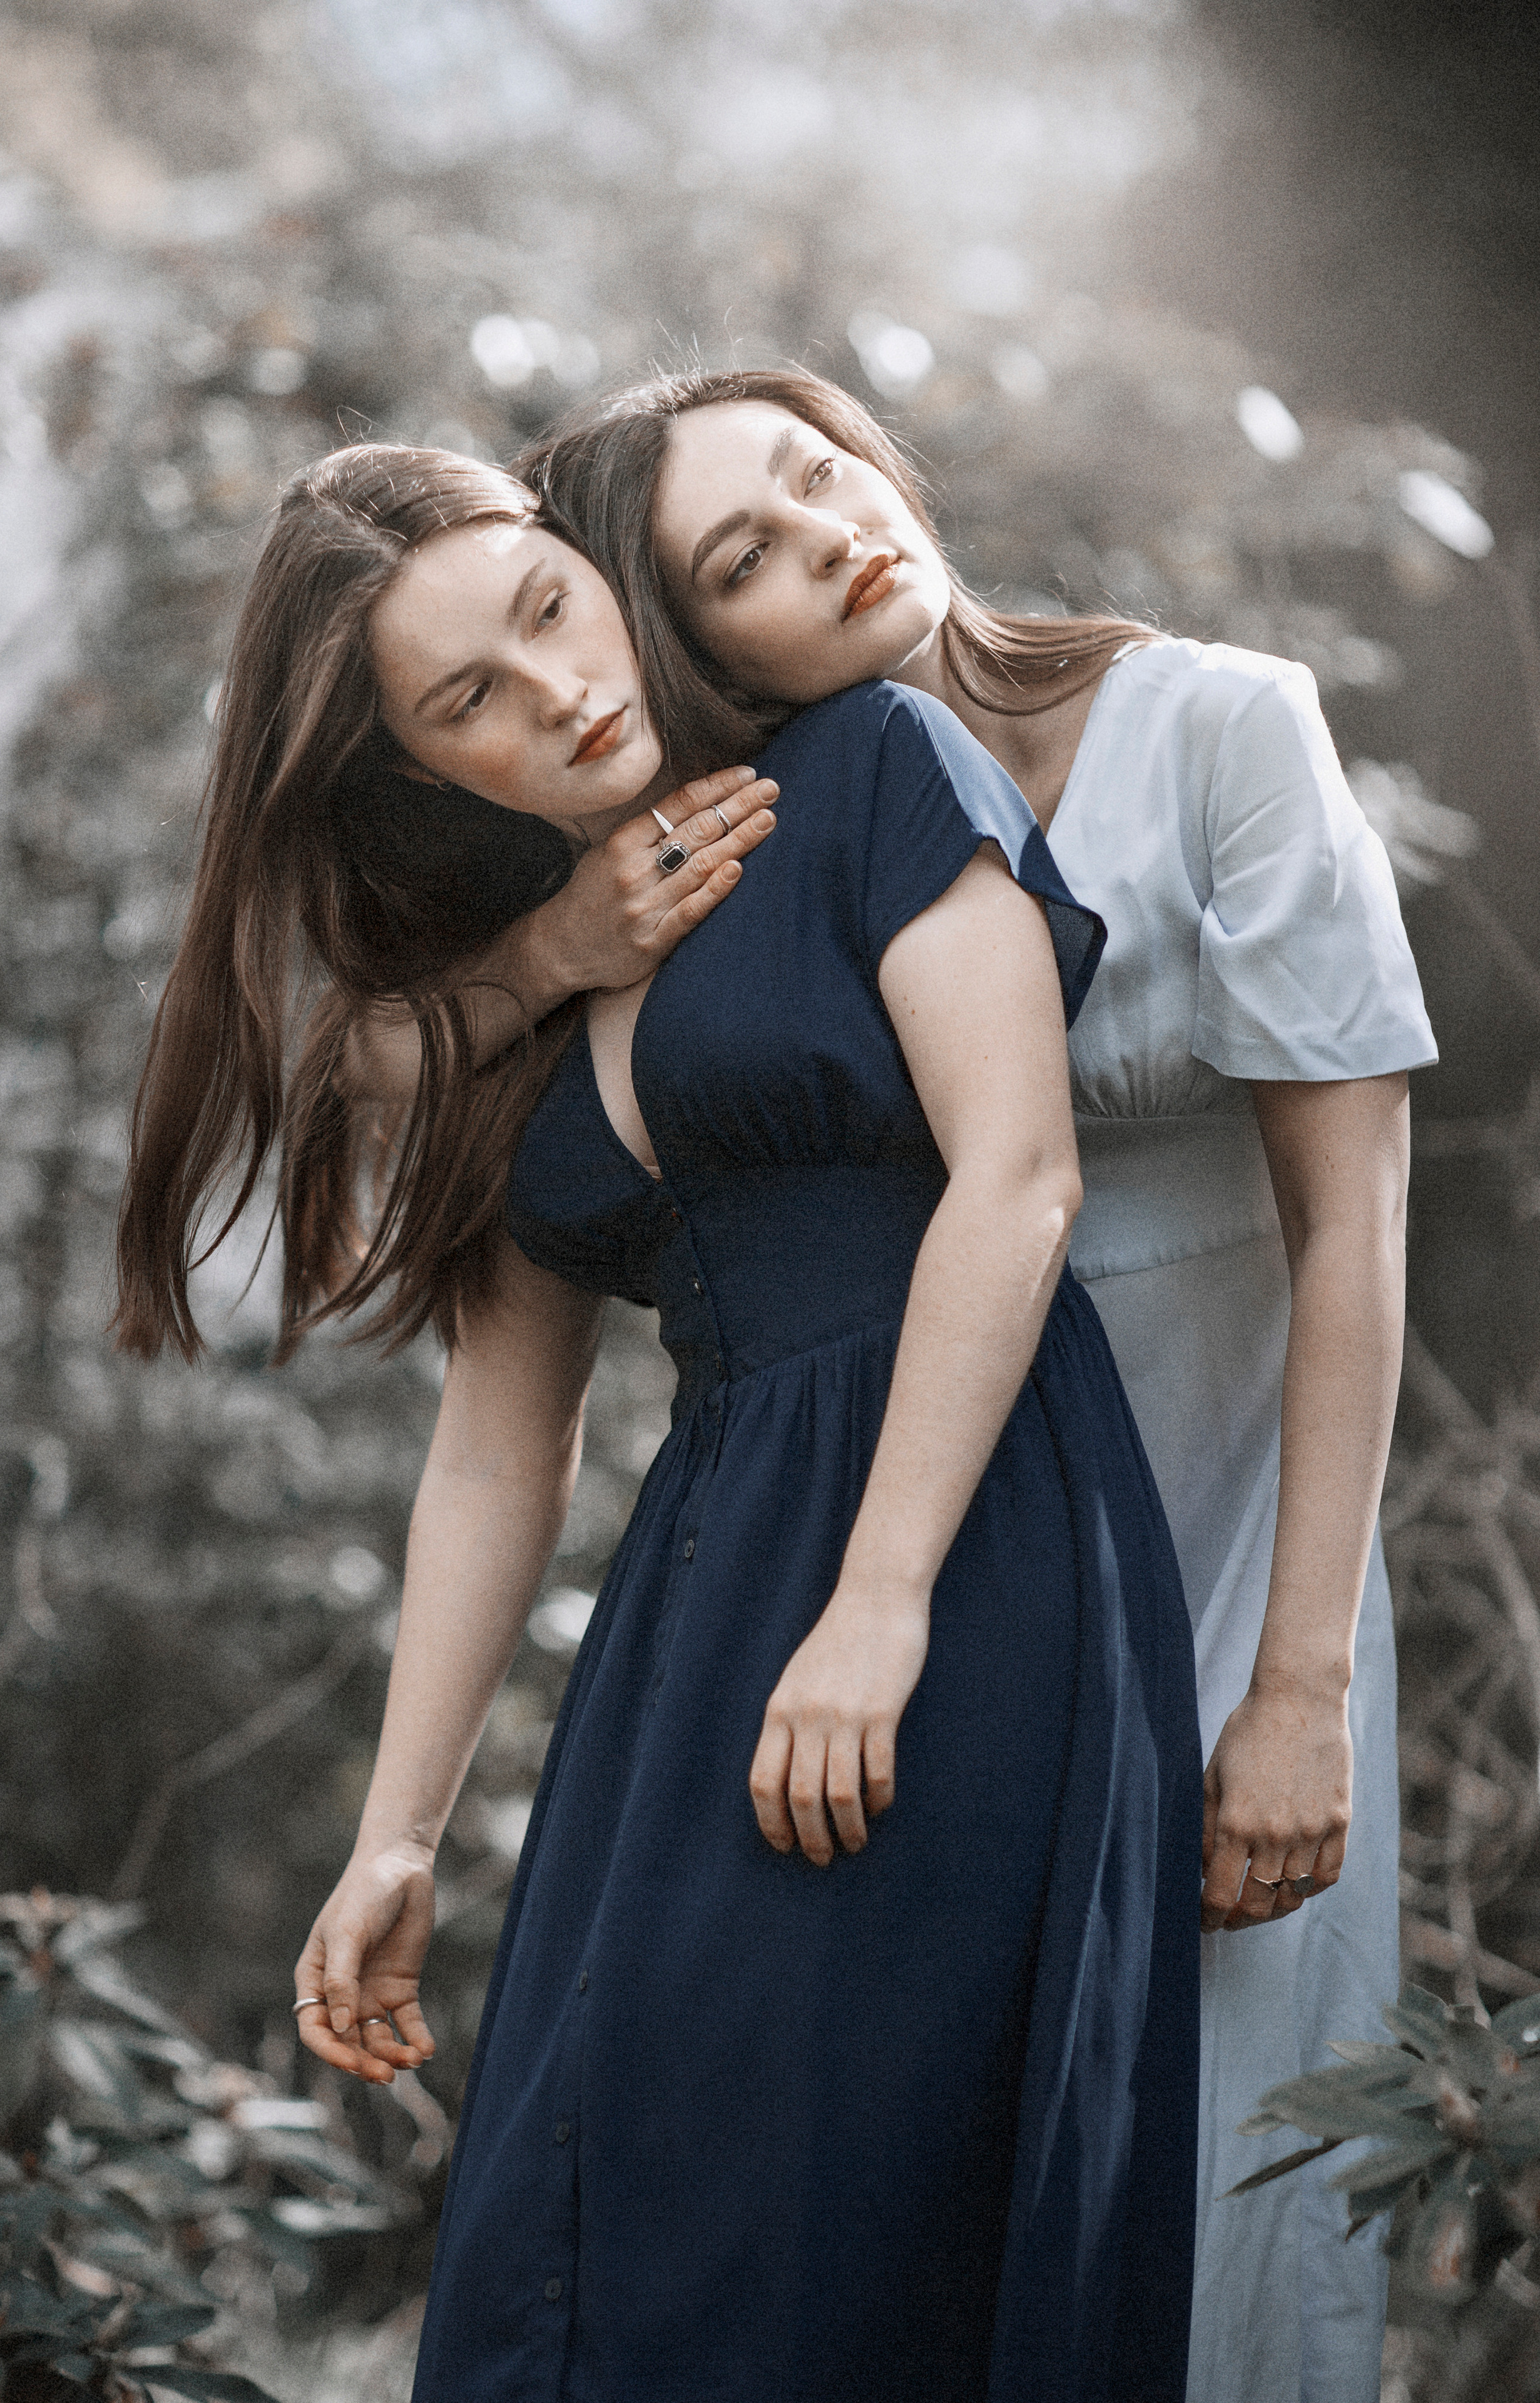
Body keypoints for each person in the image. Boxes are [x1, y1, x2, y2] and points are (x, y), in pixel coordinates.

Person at [115, 444, 1202, 2400]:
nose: (558, 695)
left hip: (953, 1550)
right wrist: (396, 1834)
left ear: (590, 564)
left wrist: (881, 1599)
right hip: (696, 1621)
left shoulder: (864, 768)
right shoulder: (505, 987)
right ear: (413, 769)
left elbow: (1020, 1174)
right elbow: (495, 1441)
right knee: (592, 2187)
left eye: (551, 612)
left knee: (838, 2224)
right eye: (472, 700)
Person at [499, 365, 1432, 2403]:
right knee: (943, 2173)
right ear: (696, 649)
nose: (829, 536)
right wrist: (548, 945)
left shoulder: (1221, 726)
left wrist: (1298, 1684)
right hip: (957, 1527)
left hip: (1237, 1501)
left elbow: (1354, 1225)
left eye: (818, 474)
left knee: (1233, 2148)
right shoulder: (770, 835)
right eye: (742, 557)